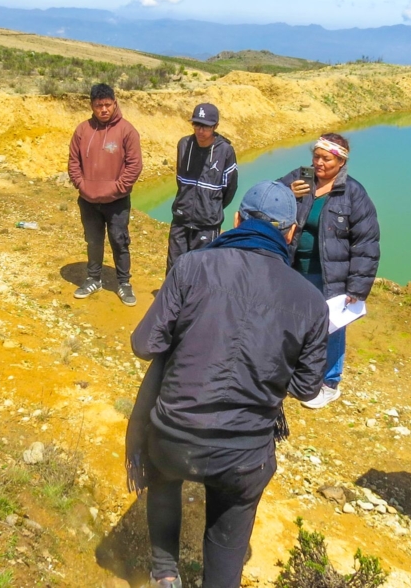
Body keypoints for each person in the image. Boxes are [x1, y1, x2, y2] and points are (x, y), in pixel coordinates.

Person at [126, 181, 329, 588]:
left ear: (236, 220)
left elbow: (144, 344)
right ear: (290, 234)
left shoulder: (192, 266)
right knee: (229, 526)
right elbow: (307, 388)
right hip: (244, 452)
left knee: (164, 476)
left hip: (173, 436)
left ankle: (164, 572)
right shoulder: (310, 301)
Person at [278, 133, 379, 408]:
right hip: (293, 267)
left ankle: (329, 383)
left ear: (341, 161)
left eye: (326, 159)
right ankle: (296, 372)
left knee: (331, 327)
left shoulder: (353, 193)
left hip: (330, 275)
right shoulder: (300, 178)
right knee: (295, 321)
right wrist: (287, 192)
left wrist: (357, 287)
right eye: (316, 156)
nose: (319, 163)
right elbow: (267, 197)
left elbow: (366, 242)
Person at [67, 83, 142, 306]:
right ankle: (93, 278)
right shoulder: (82, 130)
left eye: (108, 104)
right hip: (88, 200)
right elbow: (73, 162)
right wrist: (82, 185)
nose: (104, 109)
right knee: (93, 240)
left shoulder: (127, 130)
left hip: (117, 202)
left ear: (115, 103)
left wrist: (117, 189)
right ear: (92, 106)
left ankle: (123, 282)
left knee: (119, 241)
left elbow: (134, 166)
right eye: (99, 105)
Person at [166, 102, 238, 274]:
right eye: (196, 125)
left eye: (205, 127)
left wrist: (211, 207)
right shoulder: (184, 145)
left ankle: (197, 301)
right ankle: (172, 300)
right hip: (181, 219)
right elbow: (181, 181)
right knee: (175, 267)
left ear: (215, 126)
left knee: (201, 269)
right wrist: (186, 203)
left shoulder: (226, 151)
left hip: (207, 223)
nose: (200, 131)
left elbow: (230, 189)